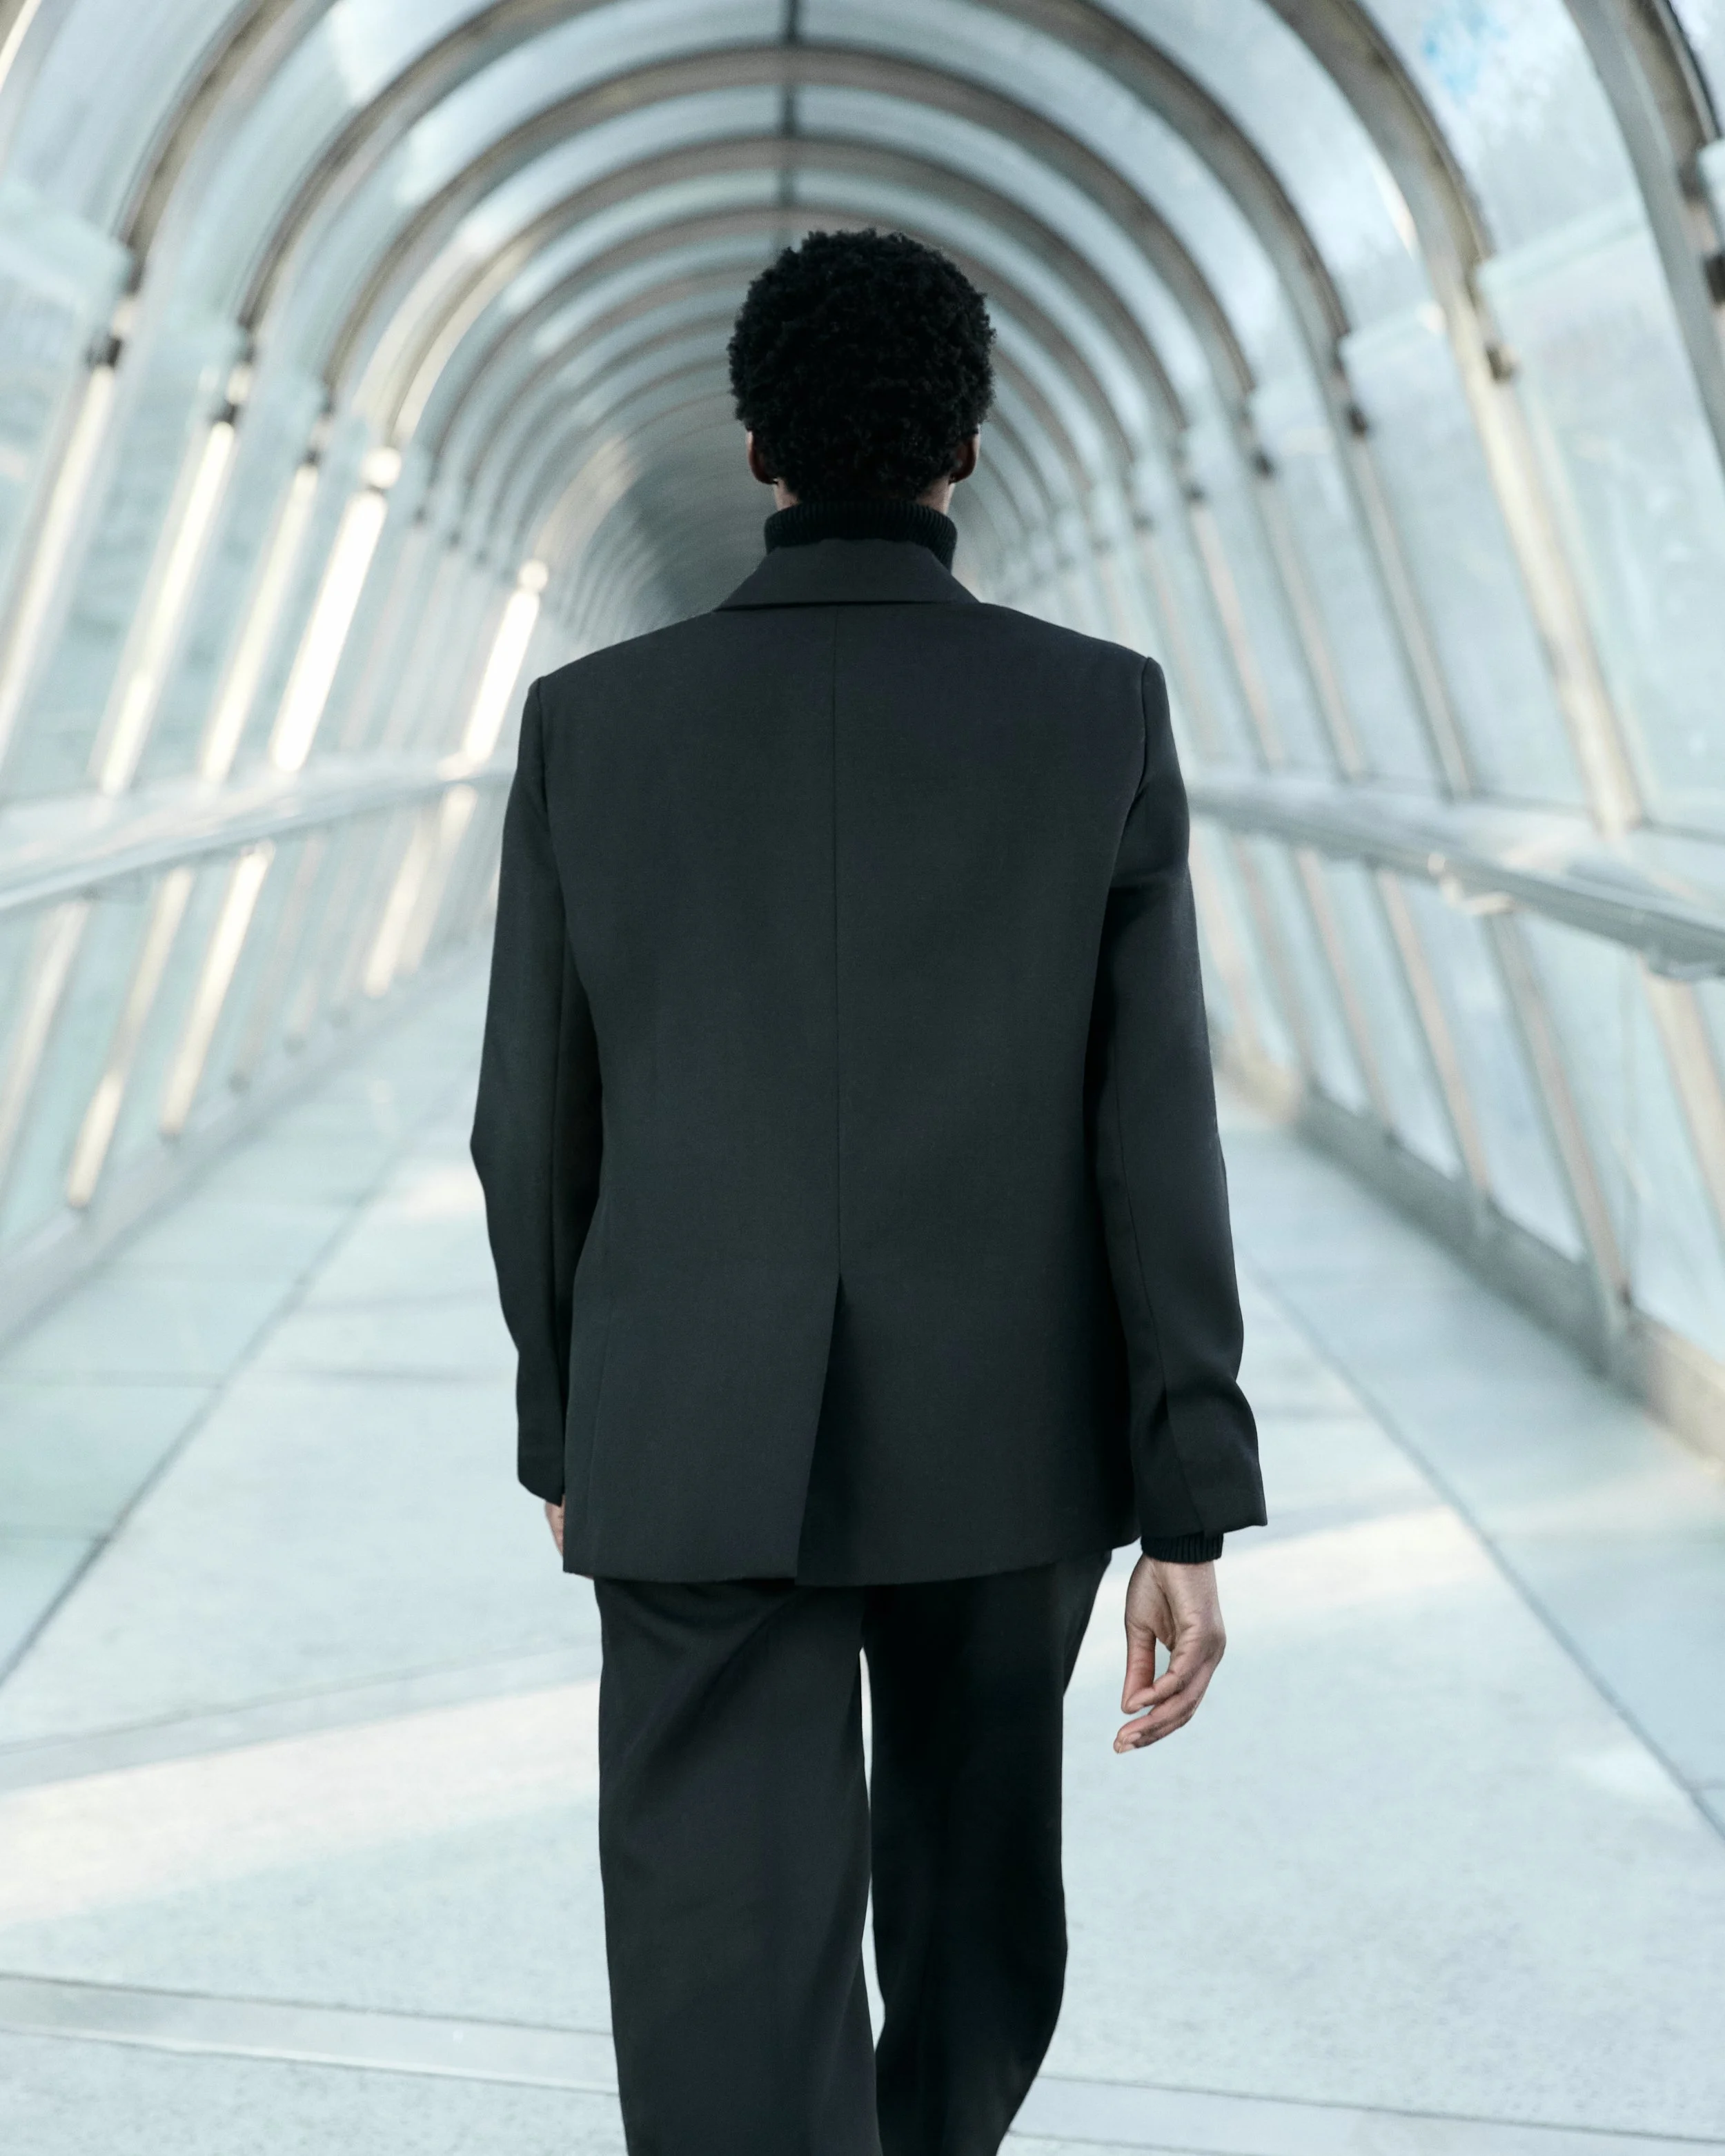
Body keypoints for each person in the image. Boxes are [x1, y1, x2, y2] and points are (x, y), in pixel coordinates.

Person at [471, 228, 1265, 2156]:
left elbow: (530, 1120)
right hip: (1007, 1420)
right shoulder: (1095, 711)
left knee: (716, 1925)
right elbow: (1152, 1129)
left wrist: (569, 1420)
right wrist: (1185, 1490)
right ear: (966, 445)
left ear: (754, 448)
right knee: (977, 1889)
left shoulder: (596, 721)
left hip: (686, 1407)